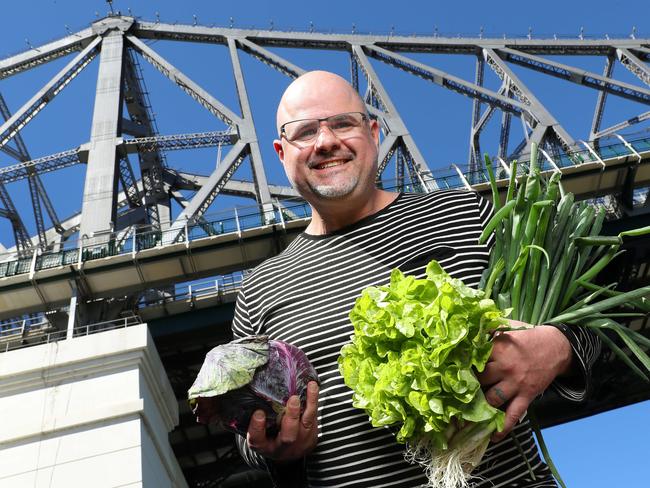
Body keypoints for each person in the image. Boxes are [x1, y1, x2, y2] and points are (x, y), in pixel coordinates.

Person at [231, 70, 601, 487]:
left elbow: (600, 323)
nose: (326, 141)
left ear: (372, 132)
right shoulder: (258, 290)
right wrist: (274, 447)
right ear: (282, 153)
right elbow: (245, 429)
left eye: (342, 123)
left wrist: (560, 347)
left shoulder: (466, 215)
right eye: (305, 132)